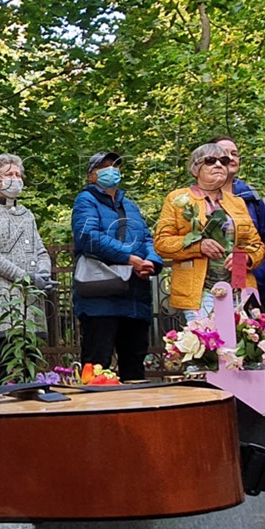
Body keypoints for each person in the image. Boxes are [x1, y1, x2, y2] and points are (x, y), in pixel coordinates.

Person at [71, 151, 161, 380]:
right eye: (104, 167)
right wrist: (129, 258)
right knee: (97, 365)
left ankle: (135, 404)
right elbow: (88, 237)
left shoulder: (130, 206)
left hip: (135, 297)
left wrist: (151, 262)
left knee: (135, 365)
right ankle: (94, 403)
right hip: (100, 298)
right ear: (91, 176)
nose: (111, 171)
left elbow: (147, 238)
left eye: (115, 166)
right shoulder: (85, 200)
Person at [153, 144, 264, 320]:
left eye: (224, 161)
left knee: (242, 337)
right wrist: (198, 246)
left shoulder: (237, 202)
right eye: (211, 160)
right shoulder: (177, 198)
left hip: (238, 289)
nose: (219, 164)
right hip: (199, 293)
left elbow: (256, 245)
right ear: (195, 169)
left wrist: (246, 258)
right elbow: (161, 243)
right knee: (208, 337)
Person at [0, 154, 53, 366]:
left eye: (18, 174)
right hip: (4, 296)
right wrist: (26, 277)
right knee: (10, 360)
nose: (15, 179)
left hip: (31, 298)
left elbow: (40, 250)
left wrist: (43, 273)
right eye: (9, 174)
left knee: (29, 359)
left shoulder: (27, 214)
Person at [215, 136, 265, 307]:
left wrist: (257, 271)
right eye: (224, 153)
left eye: (234, 154)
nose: (231, 158)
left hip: (250, 286)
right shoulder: (192, 199)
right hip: (207, 289)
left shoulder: (251, 198)